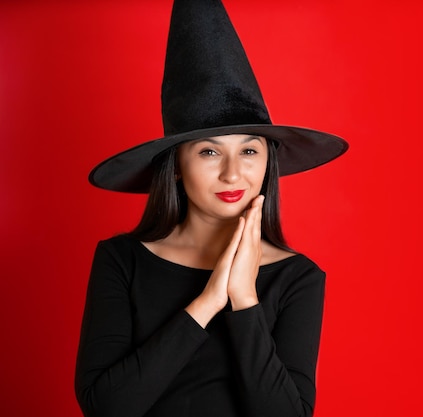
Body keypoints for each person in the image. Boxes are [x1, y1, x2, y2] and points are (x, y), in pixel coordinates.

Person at [74, 1, 348, 417]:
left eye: (250, 150)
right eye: (208, 152)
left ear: (268, 162)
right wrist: (207, 300)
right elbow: (107, 407)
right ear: (177, 168)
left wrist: (243, 299)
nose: (233, 174)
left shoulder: (298, 278)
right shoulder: (121, 260)